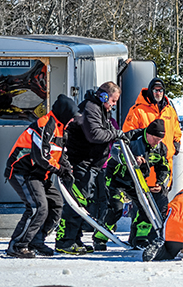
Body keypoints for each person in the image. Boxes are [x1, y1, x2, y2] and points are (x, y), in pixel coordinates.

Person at [4, 94, 79, 258]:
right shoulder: (45, 124)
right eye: (72, 117)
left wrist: (68, 170)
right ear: (65, 113)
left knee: (56, 203)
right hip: (22, 172)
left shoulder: (61, 128)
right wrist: (60, 170)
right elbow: (42, 156)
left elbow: (61, 154)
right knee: (38, 207)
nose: (73, 120)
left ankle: (36, 240)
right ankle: (17, 245)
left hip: (39, 174)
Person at [55, 81, 125, 255]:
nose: (114, 105)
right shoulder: (91, 108)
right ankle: (65, 241)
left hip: (91, 164)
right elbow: (94, 134)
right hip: (80, 162)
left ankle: (75, 238)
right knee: (76, 202)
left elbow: (105, 129)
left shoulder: (101, 110)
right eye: (113, 100)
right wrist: (116, 134)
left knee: (83, 202)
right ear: (104, 96)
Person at [93, 119, 170, 250]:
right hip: (115, 177)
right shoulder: (132, 137)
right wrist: (131, 159)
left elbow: (164, 168)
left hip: (136, 181)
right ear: (149, 134)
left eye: (160, 140)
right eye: (156, 139)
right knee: (115, 208)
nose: (157, 142)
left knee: (146, 207)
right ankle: (100, 238)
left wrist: (161, 183)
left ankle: (139, 238)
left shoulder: (161, 148)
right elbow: (115, 152)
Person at [123, 78, 182, 188]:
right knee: (142, 201)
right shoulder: (138, 110)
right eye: (155, 90)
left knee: (163, 200)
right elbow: (128, 133)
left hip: (165, 164)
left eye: (161, 90)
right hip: (145, 162)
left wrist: (176, 144)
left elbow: (176, 130)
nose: (158, 93)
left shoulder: (169, 110)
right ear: (150, 91)